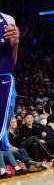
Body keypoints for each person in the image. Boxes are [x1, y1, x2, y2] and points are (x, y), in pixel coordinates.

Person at [0, 12, 19, 153]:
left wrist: (15, 43)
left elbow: (12, 61)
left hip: (4, 76)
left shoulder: (8, 19)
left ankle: (4, 143)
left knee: (4, 115)